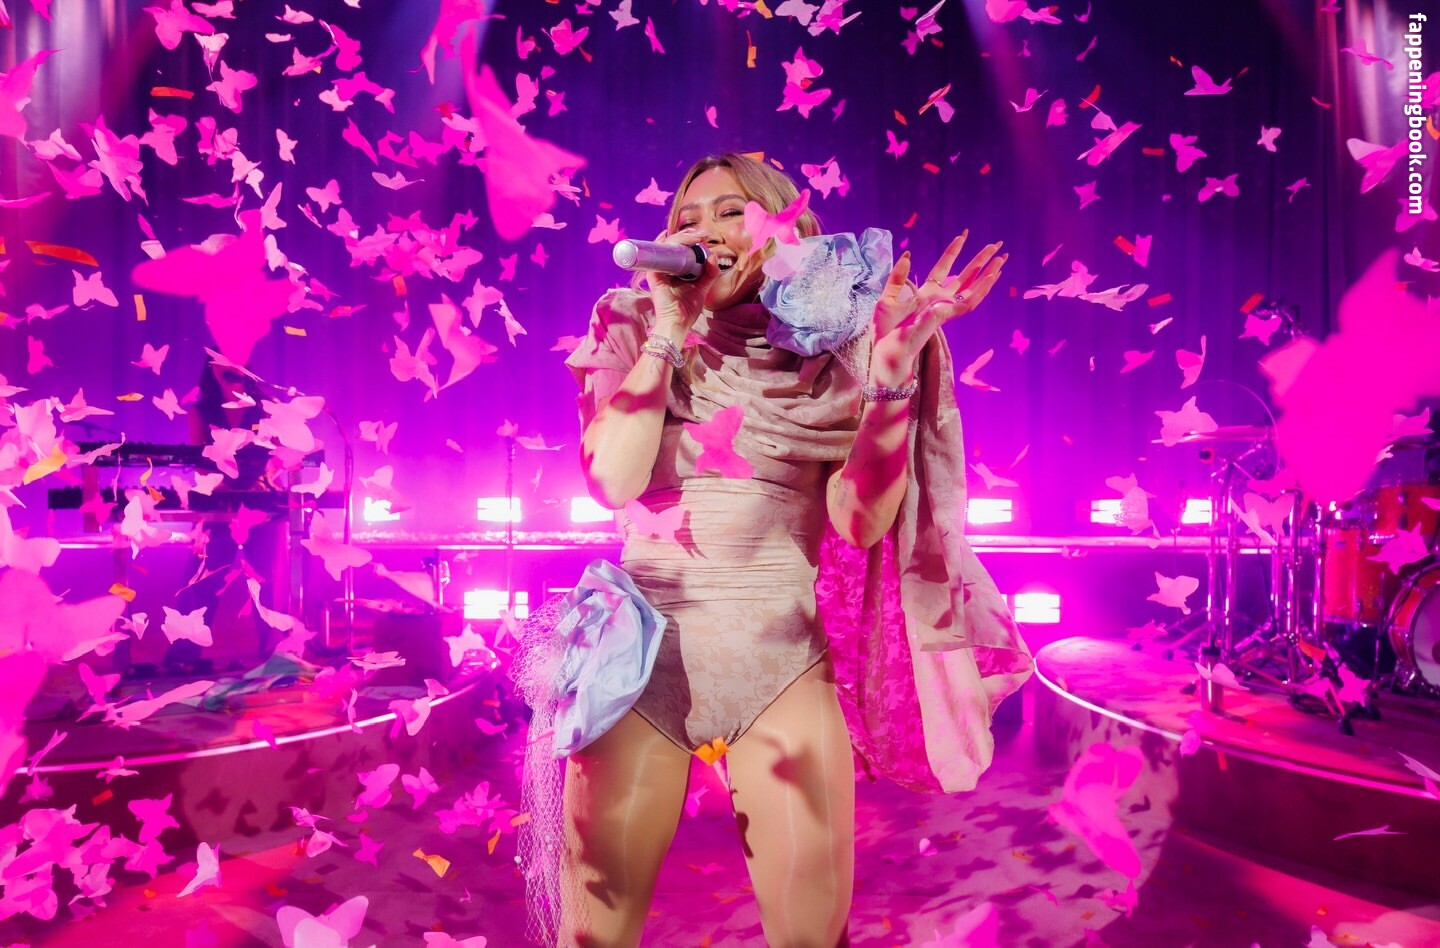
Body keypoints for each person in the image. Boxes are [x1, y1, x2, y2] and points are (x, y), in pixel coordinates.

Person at [520, 153, 1033, 947]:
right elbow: (613, 480)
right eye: (688, 219)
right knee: (593, 939)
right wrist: (669, 332)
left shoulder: (839, 355)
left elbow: (859, 523)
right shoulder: (629, 321)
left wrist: (890, 380)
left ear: (787, 230)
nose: (706, 232)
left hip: (783, 664)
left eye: (732, 212)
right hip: (638, 663)